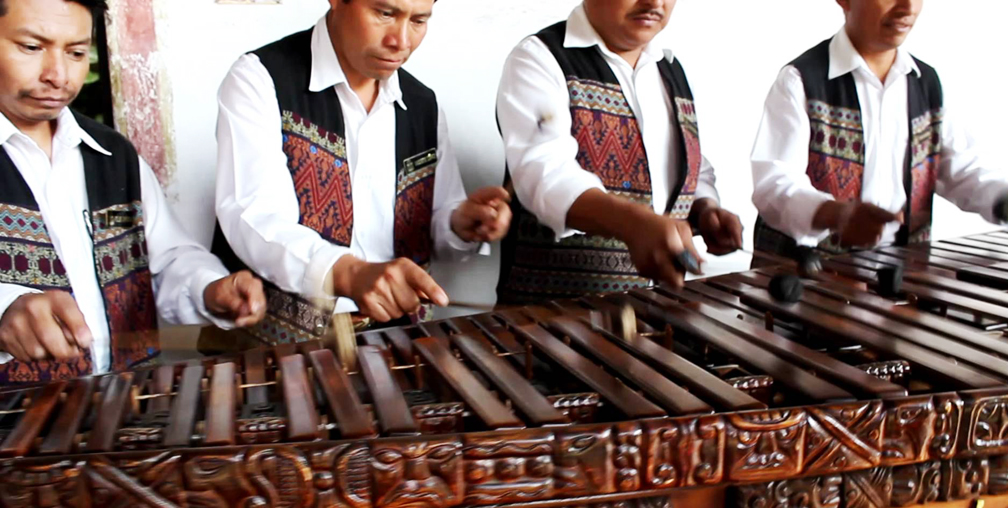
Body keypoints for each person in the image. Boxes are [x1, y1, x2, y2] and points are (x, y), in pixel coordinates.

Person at [213, 0, 512, 344]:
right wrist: (350, 273)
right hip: (283, 352)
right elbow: (255, 217)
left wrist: (461, 225)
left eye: (418, 20)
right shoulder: (260, 79)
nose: (401, 41)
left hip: (400, 343)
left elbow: (435, 222)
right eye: (385, 14)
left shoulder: (422, 105)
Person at [0, 0, 266, 385]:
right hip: (15, 428)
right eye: (31, 48)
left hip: (125, 403)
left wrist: (209, 288)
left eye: (76, 53)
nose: (58, 75)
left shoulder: (113, 155)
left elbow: (166, 258)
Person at [494, 0, 744, 305]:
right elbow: (546, 176)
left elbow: (690, 165)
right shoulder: (539, 59)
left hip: (658, 315)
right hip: (555, 327)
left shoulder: (670, 70)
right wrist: (634, 223)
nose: (654, 2)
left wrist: (705, 209)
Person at [750, 0, 1008, 260]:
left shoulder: (925, 83)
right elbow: (775, 185)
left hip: (902, 272)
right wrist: (836, 215)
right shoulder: (800, 81)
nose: (908, 8)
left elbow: (960, 168)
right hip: (810, 279)